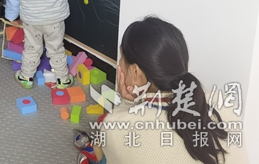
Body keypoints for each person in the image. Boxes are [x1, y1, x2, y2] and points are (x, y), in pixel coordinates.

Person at [80, 16, 248, 164]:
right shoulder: (224, 105)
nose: (120, 66)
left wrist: (127, 103)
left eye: (121, 60)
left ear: (136, 72)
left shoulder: (116, 129)